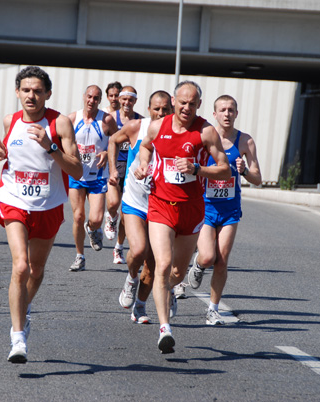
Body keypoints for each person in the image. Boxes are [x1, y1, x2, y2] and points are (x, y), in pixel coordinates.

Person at [0, 66, 82, 363]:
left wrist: (51, 146)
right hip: (14, 200)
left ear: (47, 94)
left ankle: (24, 308)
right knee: (20, 267)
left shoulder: (61, 123)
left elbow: (77, 170)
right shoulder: (10, 120)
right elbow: (8, 150)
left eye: (38, 91)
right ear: (17, 92)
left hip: (48, 205)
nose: (32, 95)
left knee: (36, 269)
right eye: (26, 90)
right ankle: (18, 337)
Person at [134, 81, 230, 353]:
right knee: (162, 265)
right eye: (182, 102)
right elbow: (145, 147)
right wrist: (143, 164)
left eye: (192, 103)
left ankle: (169, 293)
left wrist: (197, 168)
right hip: (160, 205)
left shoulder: (206, 132)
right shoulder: (157, 126)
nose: (187, 107)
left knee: (176, 273)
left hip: (191, 209)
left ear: (199, 104)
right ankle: (165, 329)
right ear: (174, 101)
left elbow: (225, 171)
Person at [188, 95, 262, 325]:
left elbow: (258, 178)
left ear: (236, 114)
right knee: (208, 256)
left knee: (221, 261)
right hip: (206, 207)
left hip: (230, 210)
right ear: (215, 114)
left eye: (231, 110)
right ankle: (198, 264)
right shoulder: (206, 138)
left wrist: (244, 172)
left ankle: (213, 309)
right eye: (223, 110)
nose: (227, 114)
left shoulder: (245, 142)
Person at [109, 90, 172, 324]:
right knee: (138, 250)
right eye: (157, 108)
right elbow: (113, 140)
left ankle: (141, 306)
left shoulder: (178, 133)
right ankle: (131, 278)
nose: (161, 113)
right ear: (149, 109)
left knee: (154, 265)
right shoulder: (137, 127)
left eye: (166, 109)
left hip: (162, 205)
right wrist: (114, 170)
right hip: (135, 201)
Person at [67, 85, 118, 271]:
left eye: (96, 98)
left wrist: (106, 151)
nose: (91, 101)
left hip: (97, 175)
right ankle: (79, 256)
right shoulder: (73, 118)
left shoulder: (106, 120)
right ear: (84, 97)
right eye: (89, 96)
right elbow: (61, 140)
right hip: (76, 175)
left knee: (95, 219)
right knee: (78, 216)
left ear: (99, 101)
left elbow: (118, 140)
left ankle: (94, 229)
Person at [106, 85, 143, 264]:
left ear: (135, 101)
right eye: (124, 99)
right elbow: (105, 140)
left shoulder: (141, 121)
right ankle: (110, 217)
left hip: (131, 167)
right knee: (113, 203)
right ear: (119, 99)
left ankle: (119, 247)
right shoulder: (110, 118)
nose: (127, 102)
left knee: (125, 210)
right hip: (114, 164)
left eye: (131, 99)